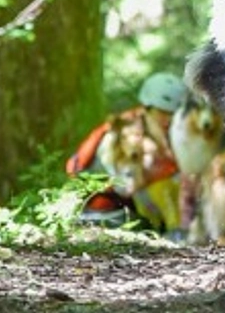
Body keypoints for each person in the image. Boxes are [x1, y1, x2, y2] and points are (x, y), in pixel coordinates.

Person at [66, 72, 186, 233]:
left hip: (125, 207)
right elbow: (126, 187)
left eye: (173, 114)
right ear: (147, 108)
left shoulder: (155, 130)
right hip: (102, 212)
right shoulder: (123, 134)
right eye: (163, 112)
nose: (168, 119)